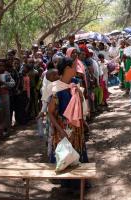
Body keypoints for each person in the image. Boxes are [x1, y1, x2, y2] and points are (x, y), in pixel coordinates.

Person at [48, 57, 88, 188]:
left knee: (77, 152)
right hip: (64, 129)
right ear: (66, 69)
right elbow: (50, 112)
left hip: (77, 128)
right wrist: (61, 131)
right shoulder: (55, 88)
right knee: (67, 155)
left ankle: (79, 184)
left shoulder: (75, 83)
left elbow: (81, 107)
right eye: (74, 66)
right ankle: (68, 185)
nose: (76, 69)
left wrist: (81, 97)